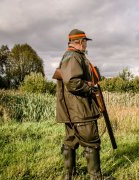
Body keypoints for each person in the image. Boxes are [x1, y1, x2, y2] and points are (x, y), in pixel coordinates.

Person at [55, 29, 102, 179]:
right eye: (85, 42)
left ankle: (69, 175)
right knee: (91, 142)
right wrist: (90, 88)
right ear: (80, 42)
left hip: (72, 111)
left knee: (71, 141)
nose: (86, 45)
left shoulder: (71, 56)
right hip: (80, 109)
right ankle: (96, 177)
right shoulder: (73, 56)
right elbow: (73, 83)